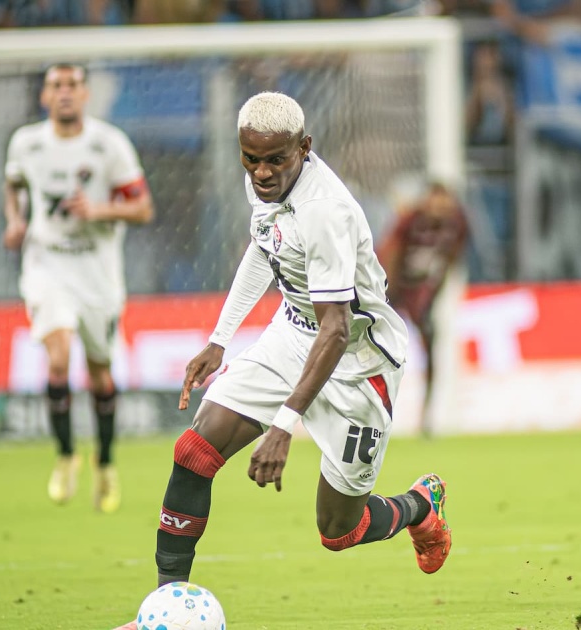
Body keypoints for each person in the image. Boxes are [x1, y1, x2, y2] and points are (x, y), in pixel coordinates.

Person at [144, 92, 451, 601]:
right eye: (251, 160)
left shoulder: (325, 213)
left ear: (304, 148)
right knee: (194, 452)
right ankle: (166, 605)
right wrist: (220, 340)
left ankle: (421, 505)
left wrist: (284, 426)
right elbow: (265, 247)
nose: (261, 174)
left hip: (356, 363)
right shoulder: (264, 182)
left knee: (339, 531)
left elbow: (334, 330)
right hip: (291, 335)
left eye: (275, 161)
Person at [3, 63, 154, 513]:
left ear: (85, 94)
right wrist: (15, 222)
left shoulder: (109, 144)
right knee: (58, 356)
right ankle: (66, 456)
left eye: (72, 85)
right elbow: (12, 186)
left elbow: (144, 208)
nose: (64, 92)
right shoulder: (26, 142)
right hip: (47, 265)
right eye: (55, 85)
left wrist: (100, 210)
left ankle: (104, 463)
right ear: (44, 96)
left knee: (100, 374)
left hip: (96, 272)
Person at [377, 182, 469, 437]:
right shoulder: (410, 220)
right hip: (390, 288)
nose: (440, 207)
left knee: (431, 347)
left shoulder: (458, 224)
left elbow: (450, 260)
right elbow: (390, 252)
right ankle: (368, 413)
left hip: (421, 292)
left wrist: (430, 297)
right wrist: (387, 297)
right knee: (376, 352)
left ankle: (426, 418)